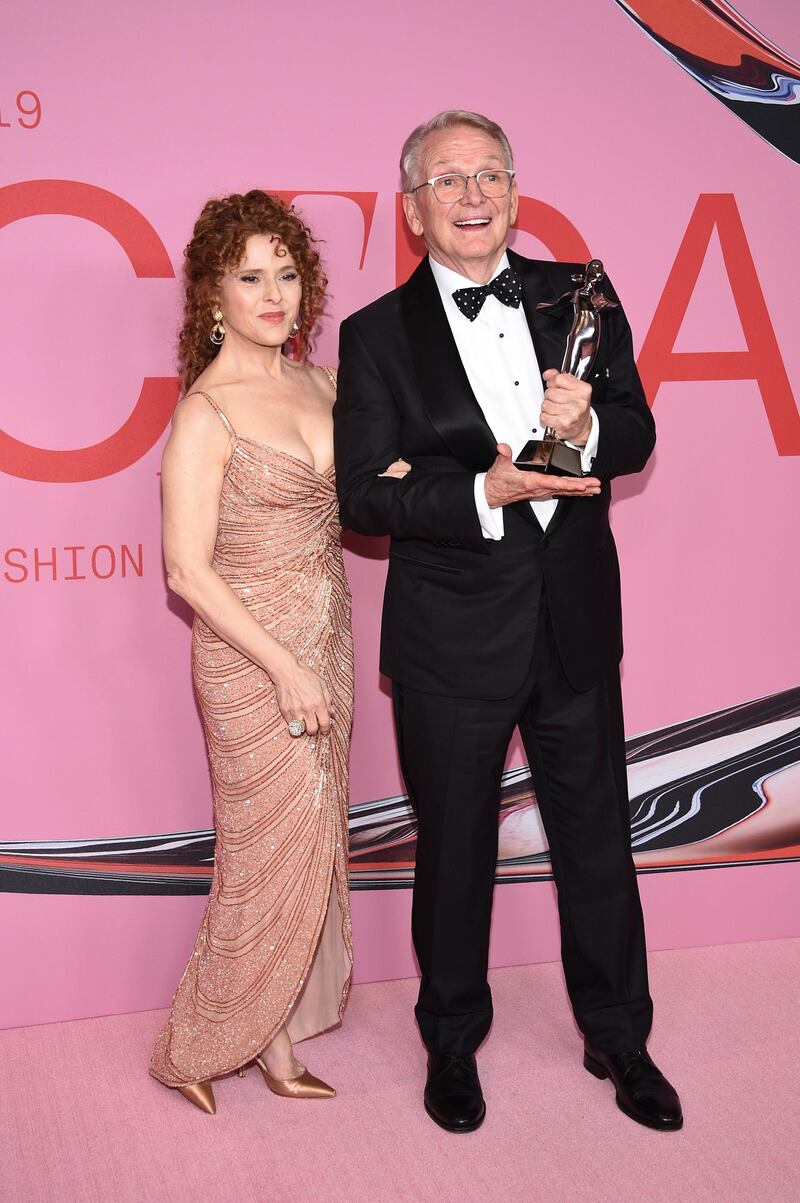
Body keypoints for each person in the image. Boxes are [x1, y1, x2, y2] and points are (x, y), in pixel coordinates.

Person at [334, 111, 682, 1133]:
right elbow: (361, 495)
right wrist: (476, 490)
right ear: (413, 209)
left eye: (489, 175)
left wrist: (591, 425)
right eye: (449, 181)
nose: (473, 195)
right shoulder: (372, 337)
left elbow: (636, 426)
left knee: (596, 844)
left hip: (572, 622)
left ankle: (619, 1039)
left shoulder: (578, 290)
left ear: (515, 195)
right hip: (449, 638)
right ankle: (451, 1044)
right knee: (453, 856)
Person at [150, 191, 407, 1114]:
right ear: (213, 295)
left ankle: (276, 1034)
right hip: (251, 656)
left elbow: (376, 489)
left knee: (309, 844)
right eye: (250, 276)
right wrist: (282, 666)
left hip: (327, 636)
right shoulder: (206, 412)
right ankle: (198, 1043)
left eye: (287, 273)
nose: (273, 294)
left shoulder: (326, 384)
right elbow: (187, 568)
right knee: (265, 851)